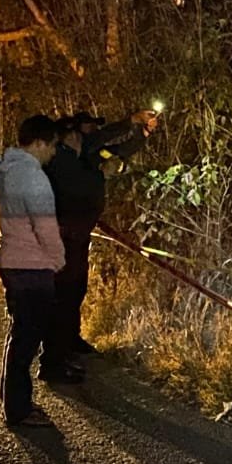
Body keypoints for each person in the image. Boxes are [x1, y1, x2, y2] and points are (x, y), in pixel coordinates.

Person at [41, 109, 159, 376]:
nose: (94, 134)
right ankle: (54, 360)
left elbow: (117, 151)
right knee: (62, 295)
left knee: (76, 290)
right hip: (62, 237)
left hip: (79, 235)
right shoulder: (60, 158)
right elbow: (105, 137)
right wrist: (129, 121)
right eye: (90, 129)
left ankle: (70, 341)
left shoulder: (87, 157)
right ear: (73, 133)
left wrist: (143, 133)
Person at [0, 114, 66, 427]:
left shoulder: (7, 169)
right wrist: (58, 258)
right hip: (31, 265)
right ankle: (19, 409)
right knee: (27, 337)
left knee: (20, 333)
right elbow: (45, 227)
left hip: (12, 258)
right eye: (51, 146)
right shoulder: (33, 177)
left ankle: (12, 399)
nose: (53, 152)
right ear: (38, 143)